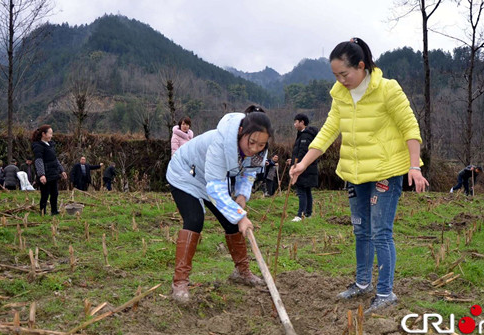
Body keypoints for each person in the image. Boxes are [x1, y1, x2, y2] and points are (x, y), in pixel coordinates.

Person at [289, 38, 429, 314]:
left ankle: (386, 292)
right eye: (336, 75)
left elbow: (409, 127)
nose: (341, 80)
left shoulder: (387, 90)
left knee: (380, 232)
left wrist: (415, 166)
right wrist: (303, 163)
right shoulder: (340, 96)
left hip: (386, 172)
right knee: (361, 230)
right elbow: (328, 131)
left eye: (345, 74)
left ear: (362, 66)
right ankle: (363, 283)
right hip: (355, 174)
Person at [166, 105, 272, 302]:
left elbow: (248, 173)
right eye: (252, 142)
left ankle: (242, 272)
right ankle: (180, 282)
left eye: (261, 145)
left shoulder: (258, 150)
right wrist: (241, 216)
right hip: (185, 174)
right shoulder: (221, 142)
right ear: (242, 131)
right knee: (195, 219)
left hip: (213, 179)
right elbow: (215, 189)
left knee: (232, 219)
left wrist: (241, 197)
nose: (254, 149)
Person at [287, 113, 319, 221]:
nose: (294, 124)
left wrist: (296, 165)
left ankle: (300, 215)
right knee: (307, 190)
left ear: (302, 122)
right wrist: (292, 160)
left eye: (296, 121)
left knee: (301, 191)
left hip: (304, 169)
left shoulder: (305, 136)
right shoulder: (303, 134)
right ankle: (308, 213)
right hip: (308, 167)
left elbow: (303, 152)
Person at [32, 125, 68, 215]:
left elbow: (55, 159)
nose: (51, 135)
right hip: (46, 174)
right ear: (43, 134)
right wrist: (42, 175)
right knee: (45, 194)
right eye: (50, 133)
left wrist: (62, 170)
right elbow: (38, 161)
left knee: (54, 193)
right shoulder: (38, 146)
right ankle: (43, 212)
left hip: (53, 173)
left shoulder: (51, 144)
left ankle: (54, 211)